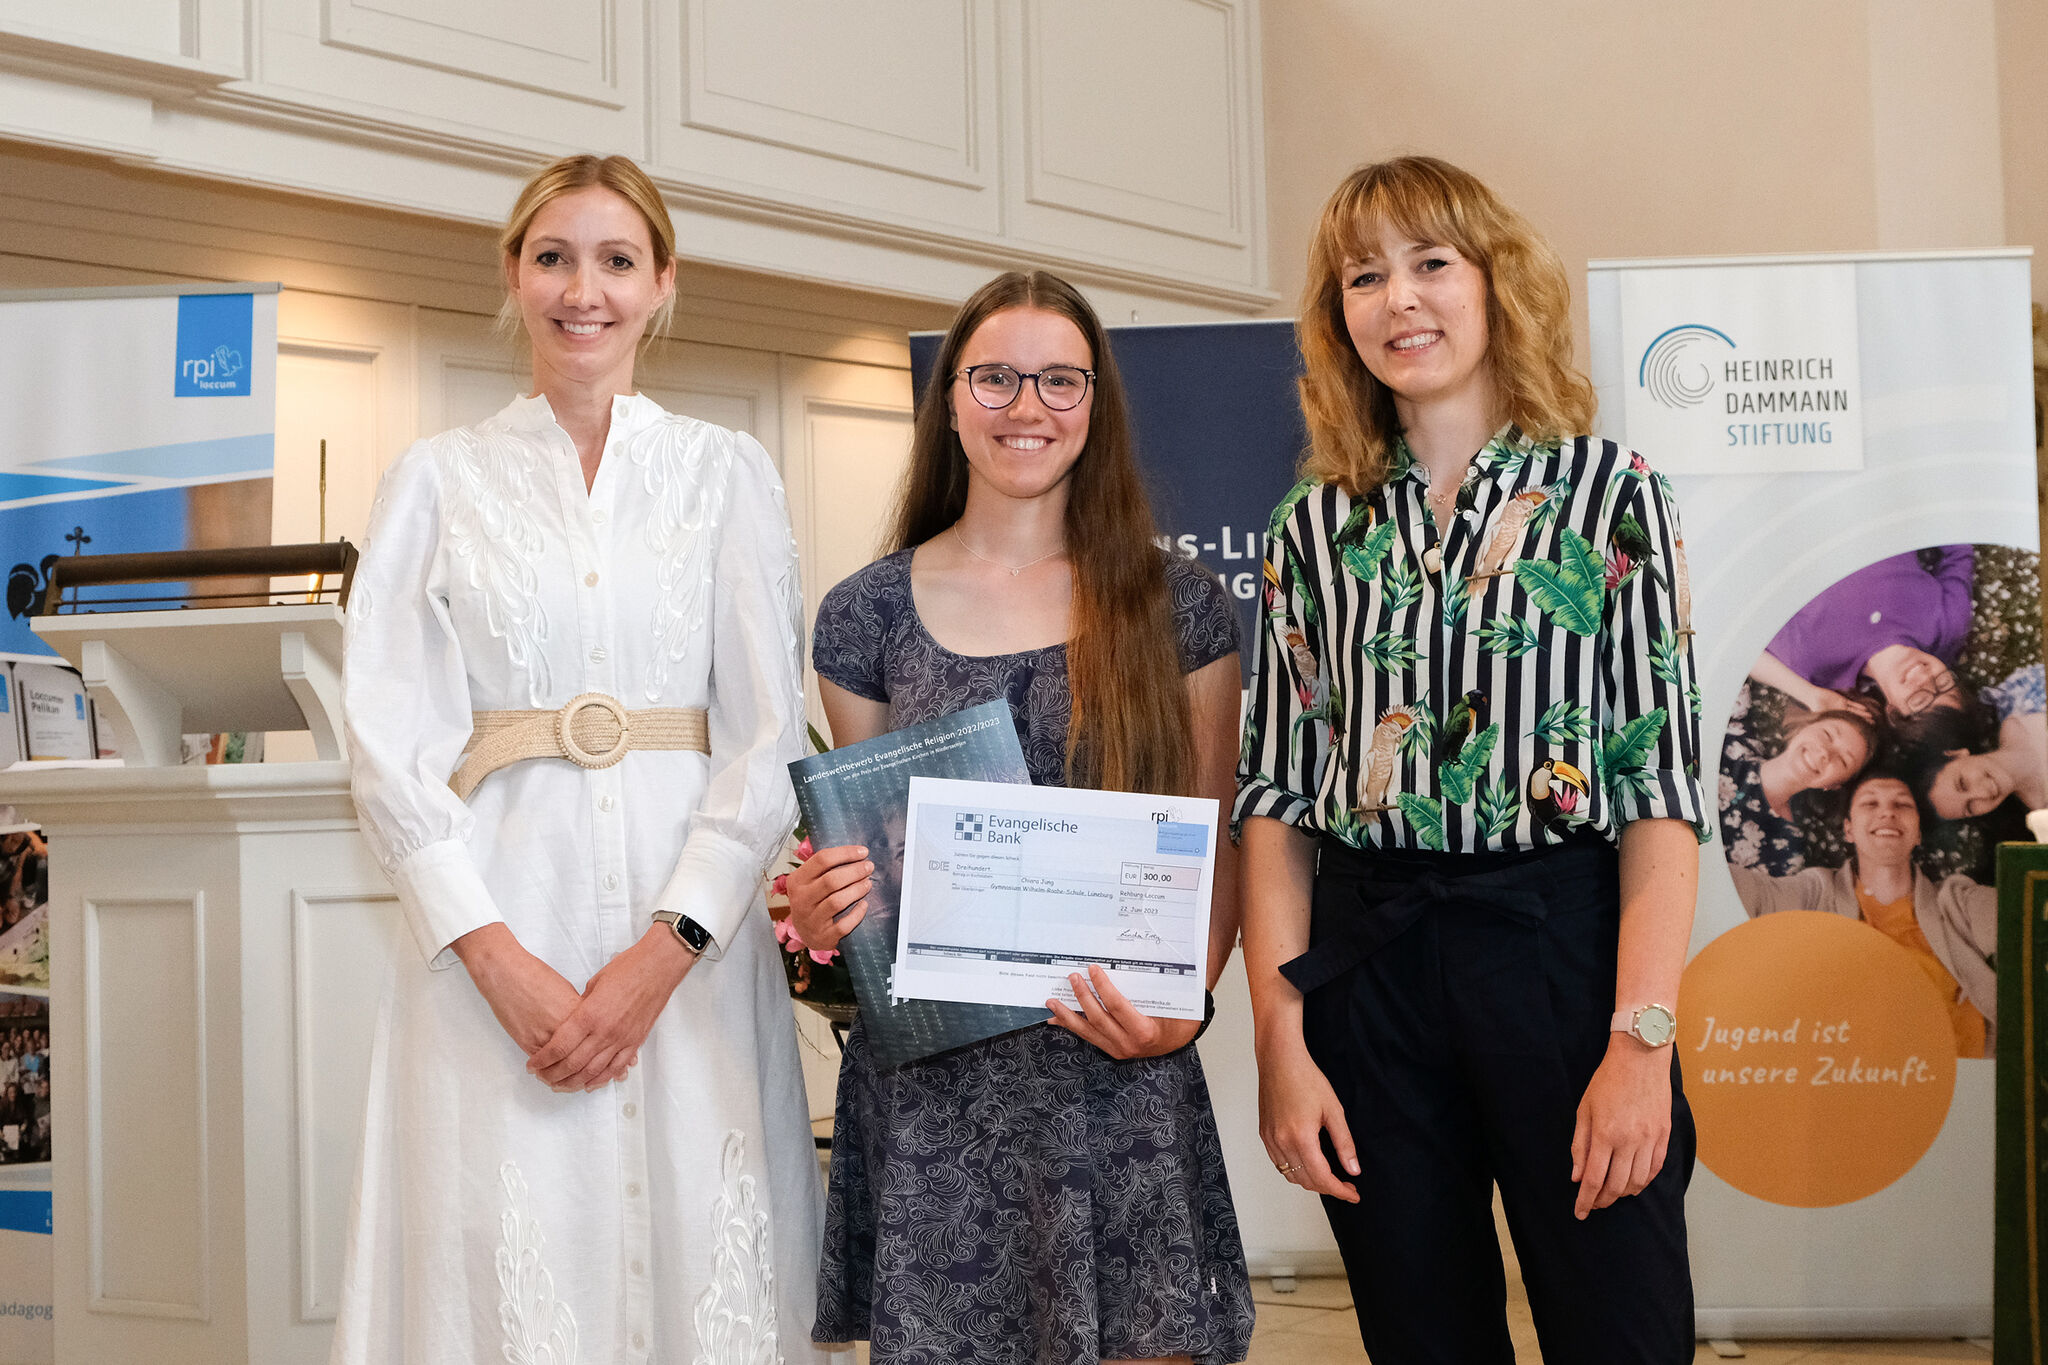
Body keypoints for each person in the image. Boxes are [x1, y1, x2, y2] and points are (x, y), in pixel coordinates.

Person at [337, 153, 824, 1364]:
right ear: (513, 274)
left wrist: (667, 951)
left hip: (692, 959)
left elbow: (767, 736)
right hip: (494, 938)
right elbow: (387, 748)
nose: (581, 290)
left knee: (703, 1231)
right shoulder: (434, 481)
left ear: (663, 283)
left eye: (615, 260)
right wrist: (497, 963)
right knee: (509, 1247)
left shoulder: (727, 473)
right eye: (552, 257)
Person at [1237, 156, 1706, 1364]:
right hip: (1369, 969)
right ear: (1334, 315)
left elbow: (1657, 795)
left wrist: (1637, 1044)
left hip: (1559, 953)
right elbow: (1278, 802)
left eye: (1429, 263)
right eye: (1363, 276)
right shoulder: (1315, 524)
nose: (1399, 300)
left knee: (1622, 1331)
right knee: (1420, 1339)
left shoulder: (1608, 493)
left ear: (1496, 281)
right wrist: (1281, 1049)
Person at [786, 270, 1255, 1365]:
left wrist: (1182, 1009)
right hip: (937, 1099)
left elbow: (1215, 834)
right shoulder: (864, 613)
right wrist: (826, 903)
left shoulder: (1176, 603)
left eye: (1057, 379)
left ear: (1094, 406)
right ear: (950, 399)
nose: (1025, 406)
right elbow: (872, 862)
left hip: (1117, 1066)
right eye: (994, 377)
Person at [1730, 771, 1994, 1058]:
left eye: (1902, 805)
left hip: (1958, 1089)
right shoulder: (1816, 891)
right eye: (1870, 804)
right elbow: (1749, 892)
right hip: (1843, 1082)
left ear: (1918, 833)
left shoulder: (1957, 901)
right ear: (1849, 830)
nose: (1887, 813)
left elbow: (2021, 921)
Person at [1749, 546, 1974, 719]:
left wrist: (1808, 694)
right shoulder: (1948, 626)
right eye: (1945, 684)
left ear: (1893, 711)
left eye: (1921, 700)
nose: (1925, 678)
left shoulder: (1818, 660)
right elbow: (1958, 552)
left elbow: (1744, 643)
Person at [1718, 705, 1880, 875]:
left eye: (1843, 760)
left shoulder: (1788, 853)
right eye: (1827, 735)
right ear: (1803, 728)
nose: (1825, 753)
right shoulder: (1730, 736)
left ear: (1833, 785)